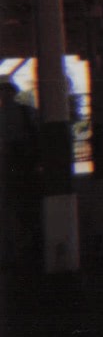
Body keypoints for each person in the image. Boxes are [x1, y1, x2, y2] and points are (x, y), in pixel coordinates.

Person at [1, 81, 41, 270]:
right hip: (25, 165)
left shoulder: (11, 114)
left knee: (16, 205)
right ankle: (30, 243)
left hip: (15, 165)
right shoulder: (27, 112)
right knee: (26, 205)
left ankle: (19, 246)